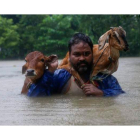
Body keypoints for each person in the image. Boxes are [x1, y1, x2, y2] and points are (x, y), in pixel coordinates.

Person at [27, 33, 125, 97]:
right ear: (69, 56)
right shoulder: (60, 75)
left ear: (92, 54)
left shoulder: (104, 77)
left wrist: (102, 93)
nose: (82, 58)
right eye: (77, 54)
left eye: (86, 54)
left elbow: (121, 95)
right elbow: (35, 97)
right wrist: (49, 72)